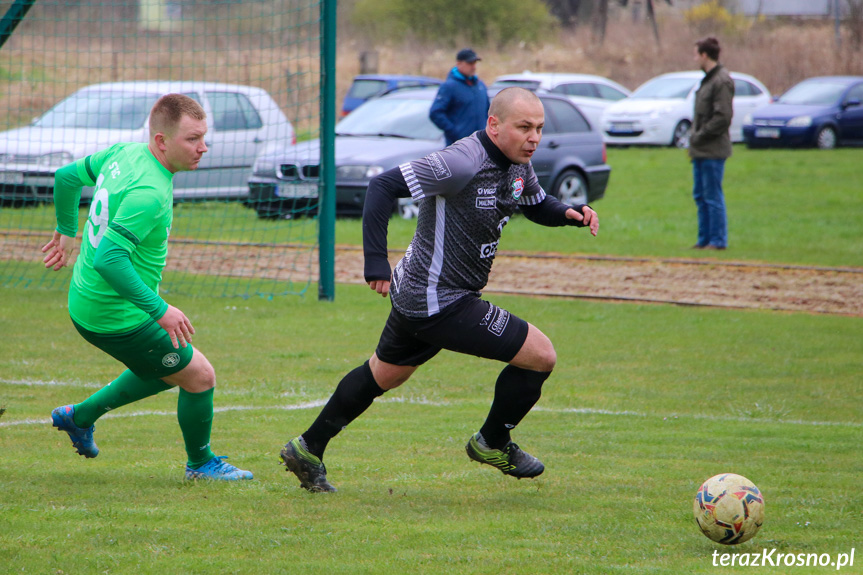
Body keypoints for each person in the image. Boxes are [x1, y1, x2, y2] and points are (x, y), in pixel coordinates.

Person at [280, 87, 599, 492]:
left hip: (422, 293)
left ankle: (307, 447)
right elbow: (381, 187)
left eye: (538, 128)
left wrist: (568, 213)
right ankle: (492, 442)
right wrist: (375, 261)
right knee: (540, 355)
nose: (534, 137)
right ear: (494, 125)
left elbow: (533, 202)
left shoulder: (518, 163)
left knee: (384, 374)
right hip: (439, 298)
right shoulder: (461, 162)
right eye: (524, 127)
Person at [42, 94, 253, 481]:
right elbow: (109, 259)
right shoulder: (150, 193)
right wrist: (159, 309)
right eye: (192, 139)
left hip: (89, 300)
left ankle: (80, 416)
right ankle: (201, 464)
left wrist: (65, 228)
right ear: (161, 141)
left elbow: (66, 178)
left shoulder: (124, 153)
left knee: (166, 366)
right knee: (199, 376)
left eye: (204, 138)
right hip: (115, 314)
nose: (202, 148)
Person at [689, 36, 734, 250]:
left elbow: (722, 117)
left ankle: (718, 241)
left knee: (712, 196)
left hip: (713, 150)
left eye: (696, 53)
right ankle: (704, 239)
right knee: (700, 196)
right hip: (700, 151)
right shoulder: (707, 79)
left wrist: (700, 135)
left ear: (704, 55)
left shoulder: (721, 81)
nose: (694, 58)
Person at [429, 48, 491, 146]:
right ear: (459, 64)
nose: (474, 67)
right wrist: (454, 132)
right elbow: (435, 112)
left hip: (481, 145)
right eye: (470, 63)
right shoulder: (449, 86)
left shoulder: (480, 85)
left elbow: (488, 111)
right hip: (458, 147)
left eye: (475, 63)